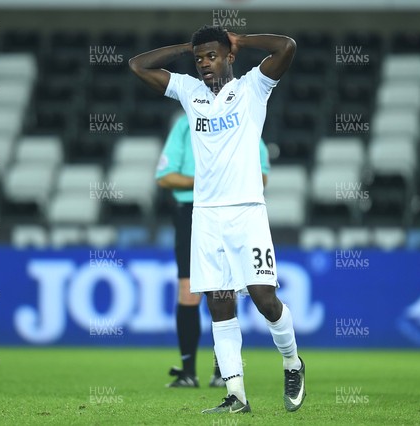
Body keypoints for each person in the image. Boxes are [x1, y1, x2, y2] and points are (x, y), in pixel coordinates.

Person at [130, 25, 305, 414]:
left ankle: (292, 362)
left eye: (213, 56)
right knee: (219, 304)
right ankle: (236, 395)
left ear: (229, 56)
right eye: (200, 59)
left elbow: (287, 47)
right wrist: (185, 49)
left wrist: (242, 40)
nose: (206, 64)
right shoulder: (189, 92)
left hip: (247, 212)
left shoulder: (252, 87)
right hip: (206, 216)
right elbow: (138, 65)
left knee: (263, 298)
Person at [156, 113, 270, 388]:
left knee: (225, 290)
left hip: (232, 213)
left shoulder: (244, 119)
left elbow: (262, 175)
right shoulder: (185, 125)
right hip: (192, 214)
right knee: (189, 292)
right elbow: (165, 176)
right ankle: (188, 372)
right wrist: (207, 181)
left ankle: (224, 372)